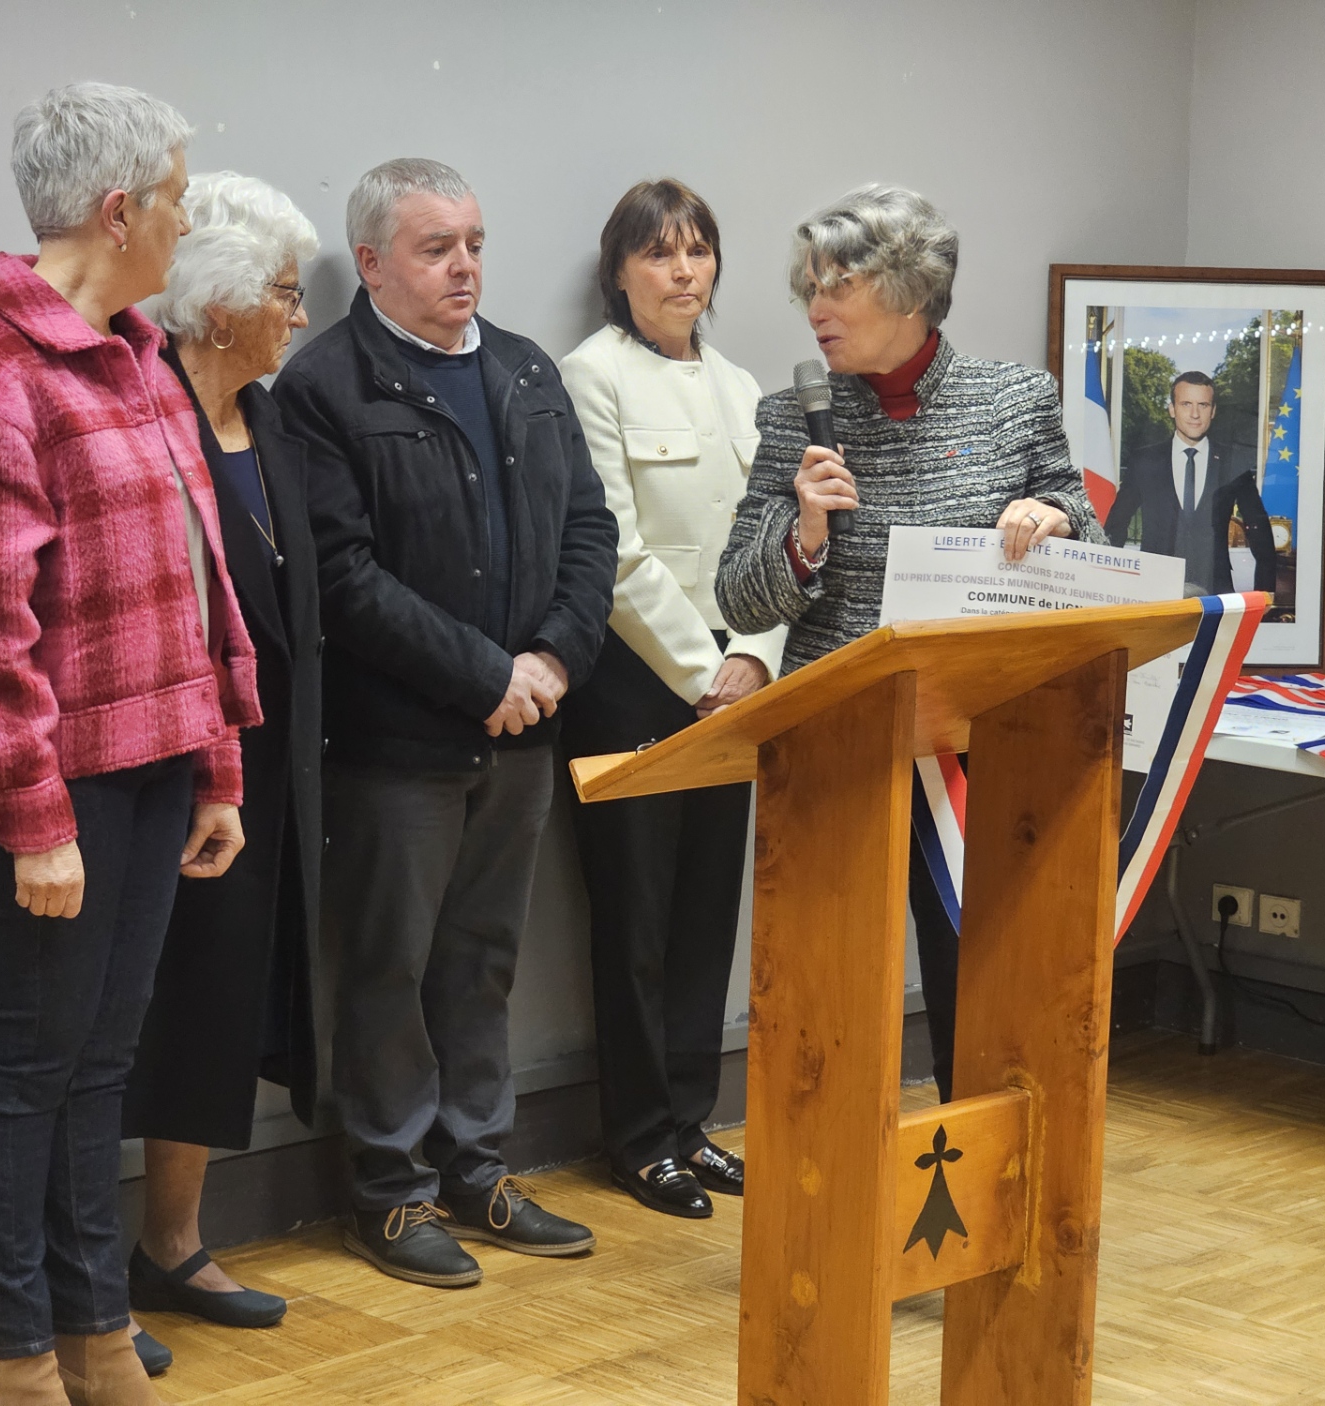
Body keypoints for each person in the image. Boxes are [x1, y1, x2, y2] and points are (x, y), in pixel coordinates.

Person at [0, 84, 259, 1406]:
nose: (184, 218)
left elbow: (200, 574)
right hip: (56, 790)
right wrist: (35, 814)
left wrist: (217, 759)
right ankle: (17, 1358)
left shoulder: (141, 356)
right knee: (30, 1065)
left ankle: (96, 1332)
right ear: (118, 211)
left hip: (161, 764)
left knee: (99, 1064)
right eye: (174, 195)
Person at [274, 158, 617, 1288]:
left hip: (523, 732)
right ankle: (389, 1189)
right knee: (387, 967)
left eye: (473, 240)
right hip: (397, 748)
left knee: (483, 963)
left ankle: (477, 1165)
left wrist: (554, 655)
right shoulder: (324, 387)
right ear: (369, 261)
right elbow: (344, 574)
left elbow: (588, 528)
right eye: (435, 247)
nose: (464, 264)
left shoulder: (523, 369)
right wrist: (484, 671)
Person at [715, 184, 1103, 1103]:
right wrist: (803, 534)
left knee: (979, 973)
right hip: (835, 738)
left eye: (836, 285)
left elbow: (1086, 537)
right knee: (826, 983)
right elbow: (738, 591)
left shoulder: (1014, 399)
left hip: (977, 745)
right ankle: (830, 1188)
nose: (814, 308)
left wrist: (1052, 518)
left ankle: (973, 1170)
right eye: (807, 286)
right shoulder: (791, 418)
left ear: (908, 288)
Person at [118, 173, 323, 1365]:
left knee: (216, 1006)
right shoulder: (151, 414)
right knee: (130, 1022)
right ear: (217, 308)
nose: (299, 318)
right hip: (170, 763)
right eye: (285, 296)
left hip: (265, 762)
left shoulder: (273, 415)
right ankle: (95, 1278)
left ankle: (173, 1241)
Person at [559, 180, 786, 1219]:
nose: (683, 271)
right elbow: (612, 551)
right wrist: (707, 670)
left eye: (698, 251)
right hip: (638, 689)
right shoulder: (590, 377)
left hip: (740, 684)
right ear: (620, 272)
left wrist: (756, 658)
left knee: (705, 914)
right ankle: (640, 1133)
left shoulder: (745, 387)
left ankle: (693, 1120)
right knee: (637, 917)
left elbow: (779, 543)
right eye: (659, 254)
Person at [1104, 370, 1277, 595]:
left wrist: (1266, 588)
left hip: (1216, 592)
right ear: (1172, 409)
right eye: (1186, 404)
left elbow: (1258, 525)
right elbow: (1118, 522)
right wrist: (1105, 579)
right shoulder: (1145, 461)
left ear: (1213, 411)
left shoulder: (1232, 462)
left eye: (1203, 405)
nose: (1195, 414)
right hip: (1154, 592)